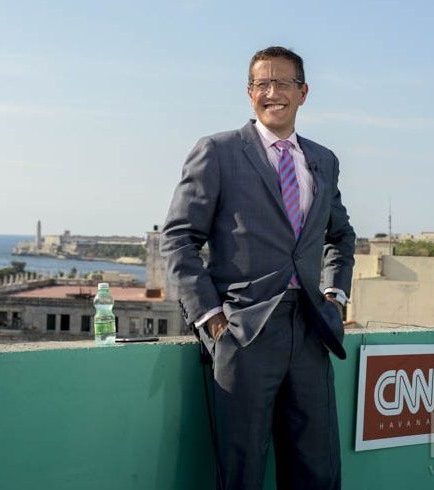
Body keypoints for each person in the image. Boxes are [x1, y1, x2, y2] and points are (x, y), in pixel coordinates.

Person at [161, 46, 355, 490]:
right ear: (250, 94)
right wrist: (211, 320)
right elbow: (178, 238)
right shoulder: (218, 152)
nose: (272, 92)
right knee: (242, 470)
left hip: (310, 331)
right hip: (243, 332)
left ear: (303, 92)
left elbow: (340, 236)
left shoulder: (323, 160)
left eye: (283, 82)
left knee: (318, 472)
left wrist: (334, 296)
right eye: (262, 84)